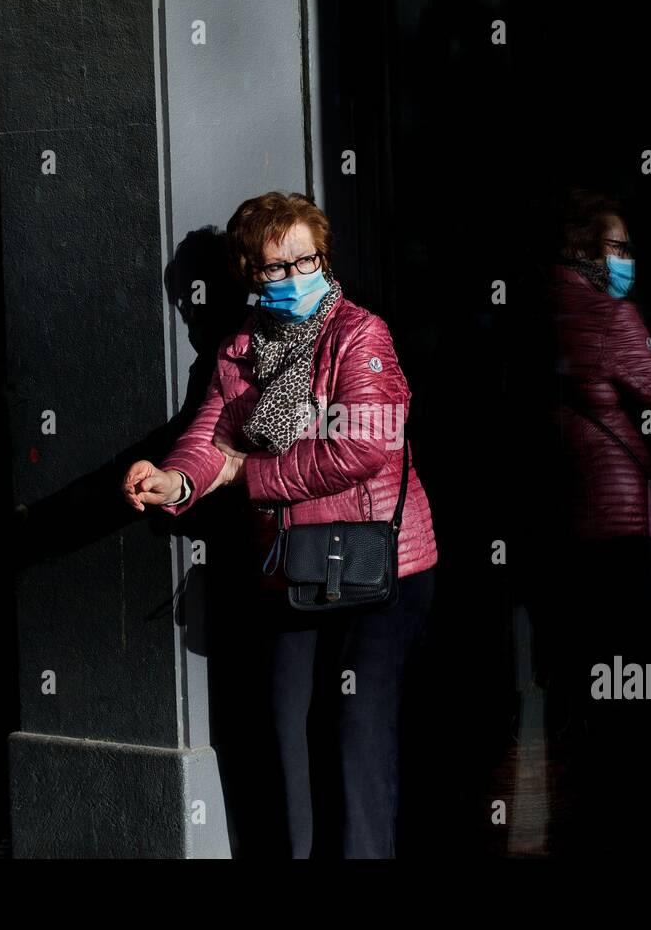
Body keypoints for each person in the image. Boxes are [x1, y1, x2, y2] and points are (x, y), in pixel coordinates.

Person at [122, 191, 439, 858]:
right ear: (251, 274)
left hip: (379, 564)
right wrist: (175, 481)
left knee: (357, 732)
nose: (296, 276)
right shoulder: (240, 349)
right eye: (277, 266)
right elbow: (210, 437)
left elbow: (362, 448)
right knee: (286, 733)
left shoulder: (360, 333)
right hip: (294, 565)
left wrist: (247, 476)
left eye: (307, 259)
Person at [532, 188, 651, 846]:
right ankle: (628, 811)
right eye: (615, 247)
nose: (625, 259)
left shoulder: (529, 310)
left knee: (571, 663)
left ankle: (575, 801)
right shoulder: (609, 314)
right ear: (584, 248)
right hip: (611, 517)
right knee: (627, 662)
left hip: (548, 515)